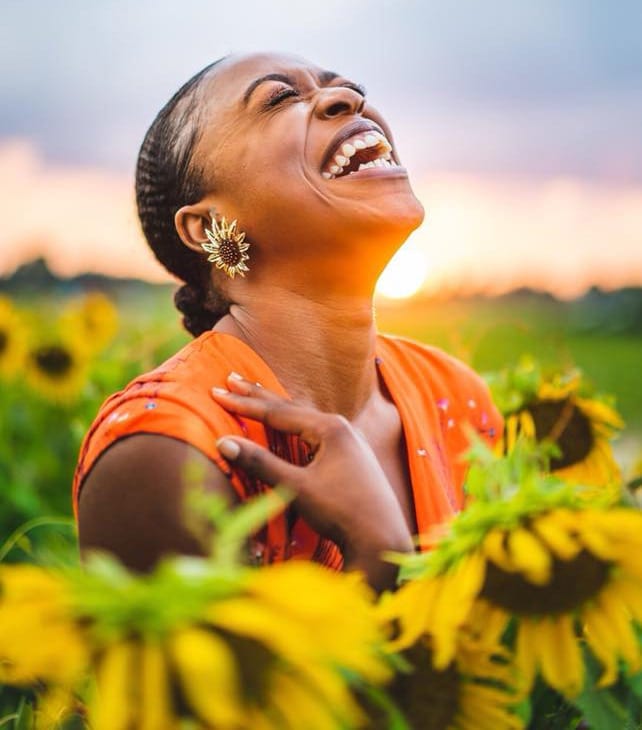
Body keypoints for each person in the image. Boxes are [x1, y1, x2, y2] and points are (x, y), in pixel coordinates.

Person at [74, 52, 501, 592]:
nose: (349, 98)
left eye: (350, 86)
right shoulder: (165, 453)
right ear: (210, 227)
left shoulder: (459, 401)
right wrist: (377, 557)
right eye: (279, 98)